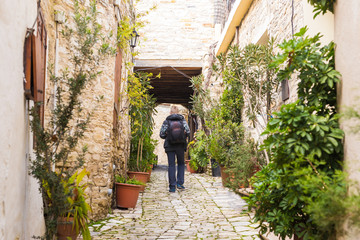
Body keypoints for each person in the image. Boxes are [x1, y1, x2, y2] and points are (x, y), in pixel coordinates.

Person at [160, 105, 190, 192]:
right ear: (178, 112)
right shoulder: (182, 120)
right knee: (181, 164)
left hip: (170, 145)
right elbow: (188, 131)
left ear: (170, 112)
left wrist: (168, 134)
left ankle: (172, 186)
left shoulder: (166, 121)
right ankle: (180, 183)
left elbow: (161, 134)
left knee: (171, 165)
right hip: (180, 145)